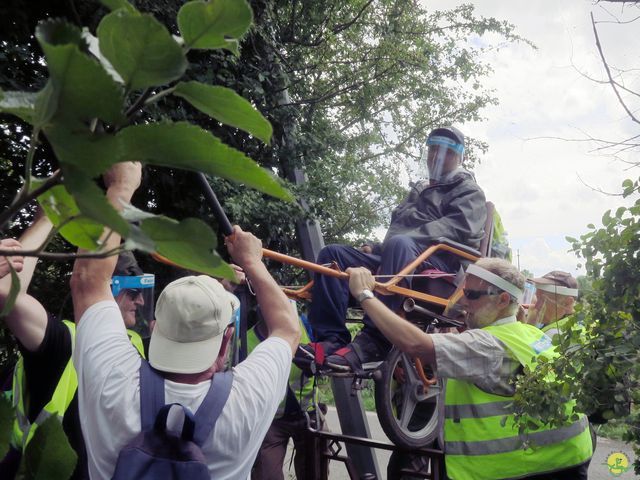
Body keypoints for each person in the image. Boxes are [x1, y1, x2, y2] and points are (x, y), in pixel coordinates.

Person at [71, 161, 300, 479]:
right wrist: (251, 261)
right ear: (227, 340)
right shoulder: (248, 399)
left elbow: (88, 281)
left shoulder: (112, 378)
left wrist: (121, 188)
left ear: (155, 327)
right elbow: (288, 328)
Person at [345, 258, 593, 479]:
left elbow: (416, 345)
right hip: (567, 457)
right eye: (462, 292)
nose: (463, 301)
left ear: (503, 300)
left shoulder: (489, 345)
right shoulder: (528, 333)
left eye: (472, 295)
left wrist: (365, 294)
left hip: (523, 469)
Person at [299, 126, 487, 371]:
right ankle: (331, 339)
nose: (434, 157)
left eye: (443, 153)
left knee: (400, 243)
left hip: (439, 268)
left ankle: (375, 338)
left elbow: (459, 228)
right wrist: (377, 247)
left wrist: (407, 238)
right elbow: (398, 231)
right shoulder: (419, 190)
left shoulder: (469, 191)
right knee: (332, 254)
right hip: (401, 257)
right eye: (431, 151)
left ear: (458, 157)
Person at [0, 214, 151, 479]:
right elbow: (6, 295)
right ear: (108, 291)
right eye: (133, 293)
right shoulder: (65, 339)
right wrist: (48, 217)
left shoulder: (134, 344)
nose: (140, 302)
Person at [527, 271, 579, 339]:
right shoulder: (575, 323)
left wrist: (527, 327)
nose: (536, 306)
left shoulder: (555, 334)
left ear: (567, 303)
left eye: (543, 300)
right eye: (537, 298)